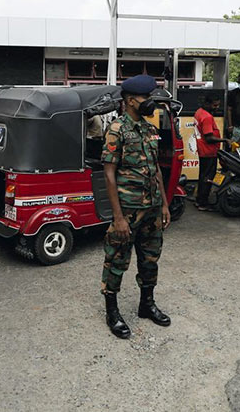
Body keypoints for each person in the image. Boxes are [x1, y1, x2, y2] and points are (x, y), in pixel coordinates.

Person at [101, 74, 171, 340]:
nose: (150, 101)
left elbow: (156, 171)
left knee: (150, 259)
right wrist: (118, 217)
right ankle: (112, 312)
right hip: (128, 210)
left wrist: (164, 204)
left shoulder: (149, 129)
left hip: (152, 208)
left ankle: (146, 304)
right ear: (130, 100)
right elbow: (109, 174)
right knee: (117, 259)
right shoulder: (117, 130)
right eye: (146, 97)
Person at [194, 96, 230, 210]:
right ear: (206, 103)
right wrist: (225, 140)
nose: (217, 108)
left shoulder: (199, 112)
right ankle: (203, 203)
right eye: (214, 105)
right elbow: (209, 138)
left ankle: (199, 200)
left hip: (202, 150)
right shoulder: (207, 117)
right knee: (208, 177)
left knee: (203, 175)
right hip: (208, 151)